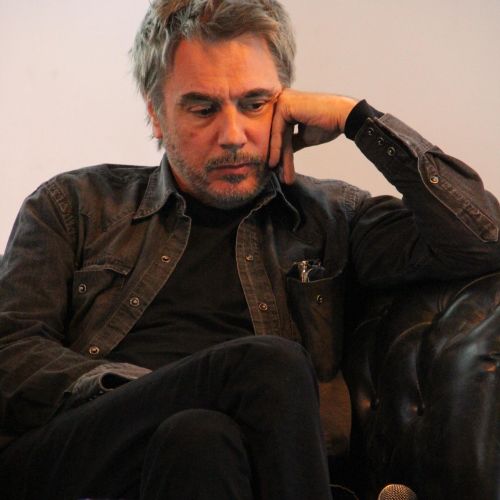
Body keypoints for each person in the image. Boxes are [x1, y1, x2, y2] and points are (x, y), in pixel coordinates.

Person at [0, 1, 498, 499]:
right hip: (73, 463)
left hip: (228, 469)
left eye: (255, 104)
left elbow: (483, 241)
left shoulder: (334, 217)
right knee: (267, 366)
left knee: (200, 437)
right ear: (156, 114)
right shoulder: (75, 205)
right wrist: (161, 390)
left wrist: (358, 120)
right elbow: (13, 353)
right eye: (203, 109)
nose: (233, 136)